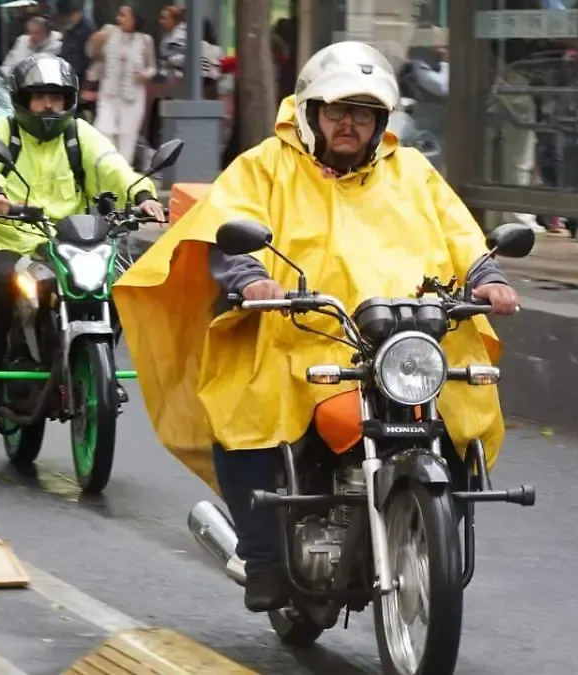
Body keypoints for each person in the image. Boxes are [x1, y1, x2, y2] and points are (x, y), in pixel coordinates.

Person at [112, 41, 520, 613]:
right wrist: (250, 278)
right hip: (297, 335)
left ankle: (438, 535)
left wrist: (487, 276)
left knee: (458, 415)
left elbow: (461, 235)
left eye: (364, 114)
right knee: (244, 413)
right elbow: (230, 226)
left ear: (381, 122)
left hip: (404, 337)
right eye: (337, 111)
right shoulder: (264, 165)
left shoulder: (412, 171)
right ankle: (263, 558)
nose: (349, 124)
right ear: (310, 113)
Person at [0, 54, 166, 394]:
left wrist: (143, 195)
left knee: (113, 286)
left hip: (74, 241)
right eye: (40, 97)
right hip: (9, 237)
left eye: (56, 98)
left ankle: (99, 367)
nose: (49, 107)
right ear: (22, 100)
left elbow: (111, 166)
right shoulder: (2, 130)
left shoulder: (78, 134)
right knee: (1, 281)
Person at [89, 4, 156, 164]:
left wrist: (146, 74)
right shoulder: (109, 31)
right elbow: (92, 53)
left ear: (135, 19)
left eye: (124, 15)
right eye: (119, 15)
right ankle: (105, 169)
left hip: (133, 93)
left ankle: (124, 173)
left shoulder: (145, 40)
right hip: (109, 91)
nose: (119, 19)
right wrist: (96, 40)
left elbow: (152, 67)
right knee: (103, 130)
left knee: (128, 136)